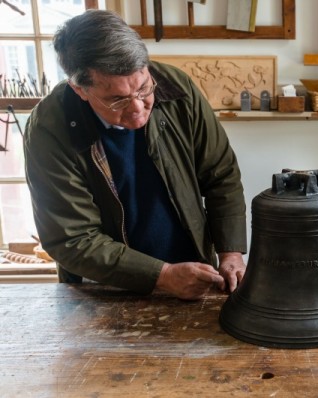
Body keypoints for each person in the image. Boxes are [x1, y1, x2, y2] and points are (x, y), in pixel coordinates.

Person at [24, 10, 247, 300]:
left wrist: (231, 252)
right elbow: (72, 238)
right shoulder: (49, 128)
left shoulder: (176, 87)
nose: (138, 109)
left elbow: (221, 175)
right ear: (80, 89)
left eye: (144, 89)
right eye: (117, 100)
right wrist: (162, 276)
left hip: (194, 273)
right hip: (103, 289)